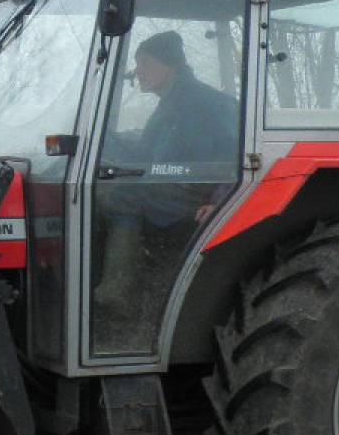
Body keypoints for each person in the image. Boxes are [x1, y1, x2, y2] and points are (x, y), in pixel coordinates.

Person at [92, 30, 240, 319]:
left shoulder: (208, 104)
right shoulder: (170, 104)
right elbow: (151, 152)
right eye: (137, 63)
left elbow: (237, 155)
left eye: (145, 62)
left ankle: (117, 292)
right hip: (167, 185)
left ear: (168, 64)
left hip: (196, 194)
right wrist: (102, 142)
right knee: (100, 186)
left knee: (113, 194)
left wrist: (222, 201)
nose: (138, 71)